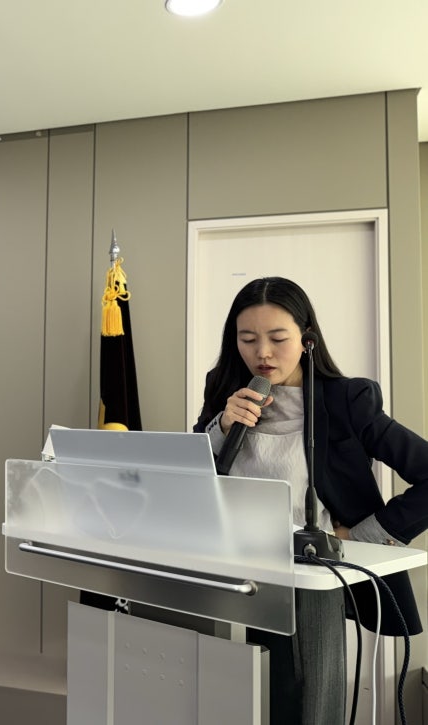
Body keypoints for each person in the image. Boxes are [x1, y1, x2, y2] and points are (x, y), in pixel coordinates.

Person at [193, 276, 428, 724]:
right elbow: (194, 477)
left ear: (306, 339)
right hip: (234, 570)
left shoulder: (347, 400)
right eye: (248, 339)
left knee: (307, 705)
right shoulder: (225, 392)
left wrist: (358, 536)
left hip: (309, 575)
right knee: (235, 699)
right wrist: (221, 427)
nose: (262, 353)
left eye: (277, 338)